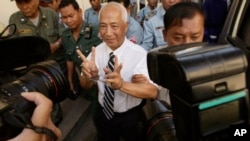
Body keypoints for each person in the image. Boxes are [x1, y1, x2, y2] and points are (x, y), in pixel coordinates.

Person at [76, 2, 158, 141]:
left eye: (114, 26)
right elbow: (84, 85)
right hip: (103, 114)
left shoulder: (139, 55)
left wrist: (122, 85)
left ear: (126, 27)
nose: (108, 33)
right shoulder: (96, 52)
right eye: (103, 26)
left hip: (131, 116)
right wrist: (88, 78)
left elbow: (153, 92)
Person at [9, 0, 66, 125]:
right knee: (37, 97)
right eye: (19, 3)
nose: (24, 6)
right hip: (31, 71)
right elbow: (13, 49)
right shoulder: (14, 19)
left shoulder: (51, 14)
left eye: (27, 2)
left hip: (53, 67)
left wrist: (55, 45)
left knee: (54, 94)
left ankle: (56, 120)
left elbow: (64, 34)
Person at [58, 0, 102, 96]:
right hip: (84, 81)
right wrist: (70, 80)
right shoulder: (65, 36)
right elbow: (69, 59)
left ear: (80, 12)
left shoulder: (95, 32)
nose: (68, 20)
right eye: (64, 17)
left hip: (100, 81)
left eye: (71, 16)